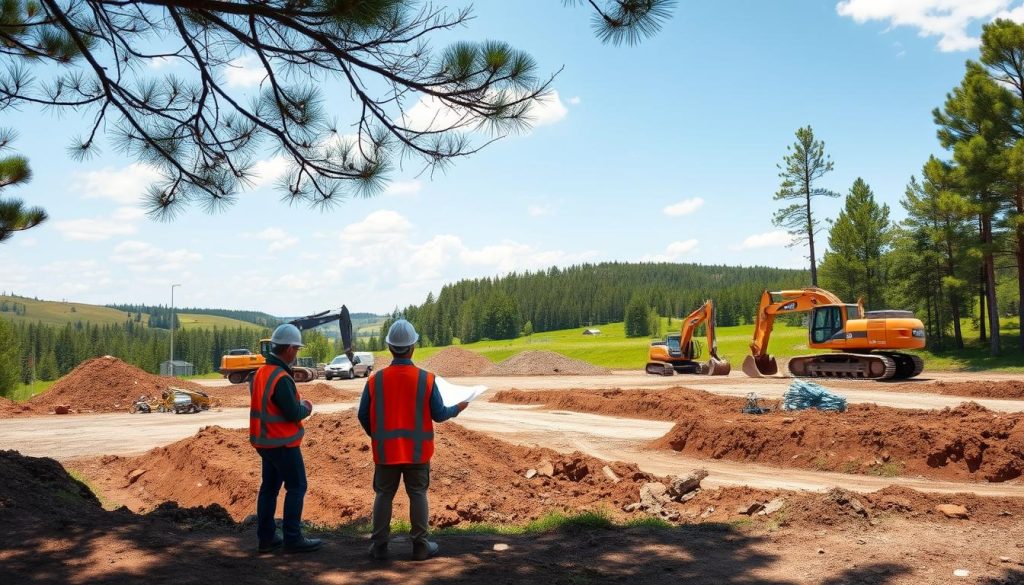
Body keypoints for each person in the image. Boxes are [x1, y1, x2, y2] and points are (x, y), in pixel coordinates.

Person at [358, 319, 469, 561]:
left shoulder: (375, 380)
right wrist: (458, 407)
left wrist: (377, 436)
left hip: (386, 452)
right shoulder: (426, 379)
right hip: (417, 452)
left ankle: (378, 547)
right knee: (418, 494)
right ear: (413, 347)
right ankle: (420, 546)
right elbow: (439, 414)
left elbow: (363, 415)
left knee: (383, 495)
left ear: (389, 347)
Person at [249, 323, 322, 554]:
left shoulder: (262, 372)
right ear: (289, 348)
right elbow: (292, 412)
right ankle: (293, 537)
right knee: (297, 486)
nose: (297, 353)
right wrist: (307, 407)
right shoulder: (281, 377)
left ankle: (267, 538)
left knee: (269, 488)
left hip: (265, 441)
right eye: (297, 349)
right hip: (283, 442)